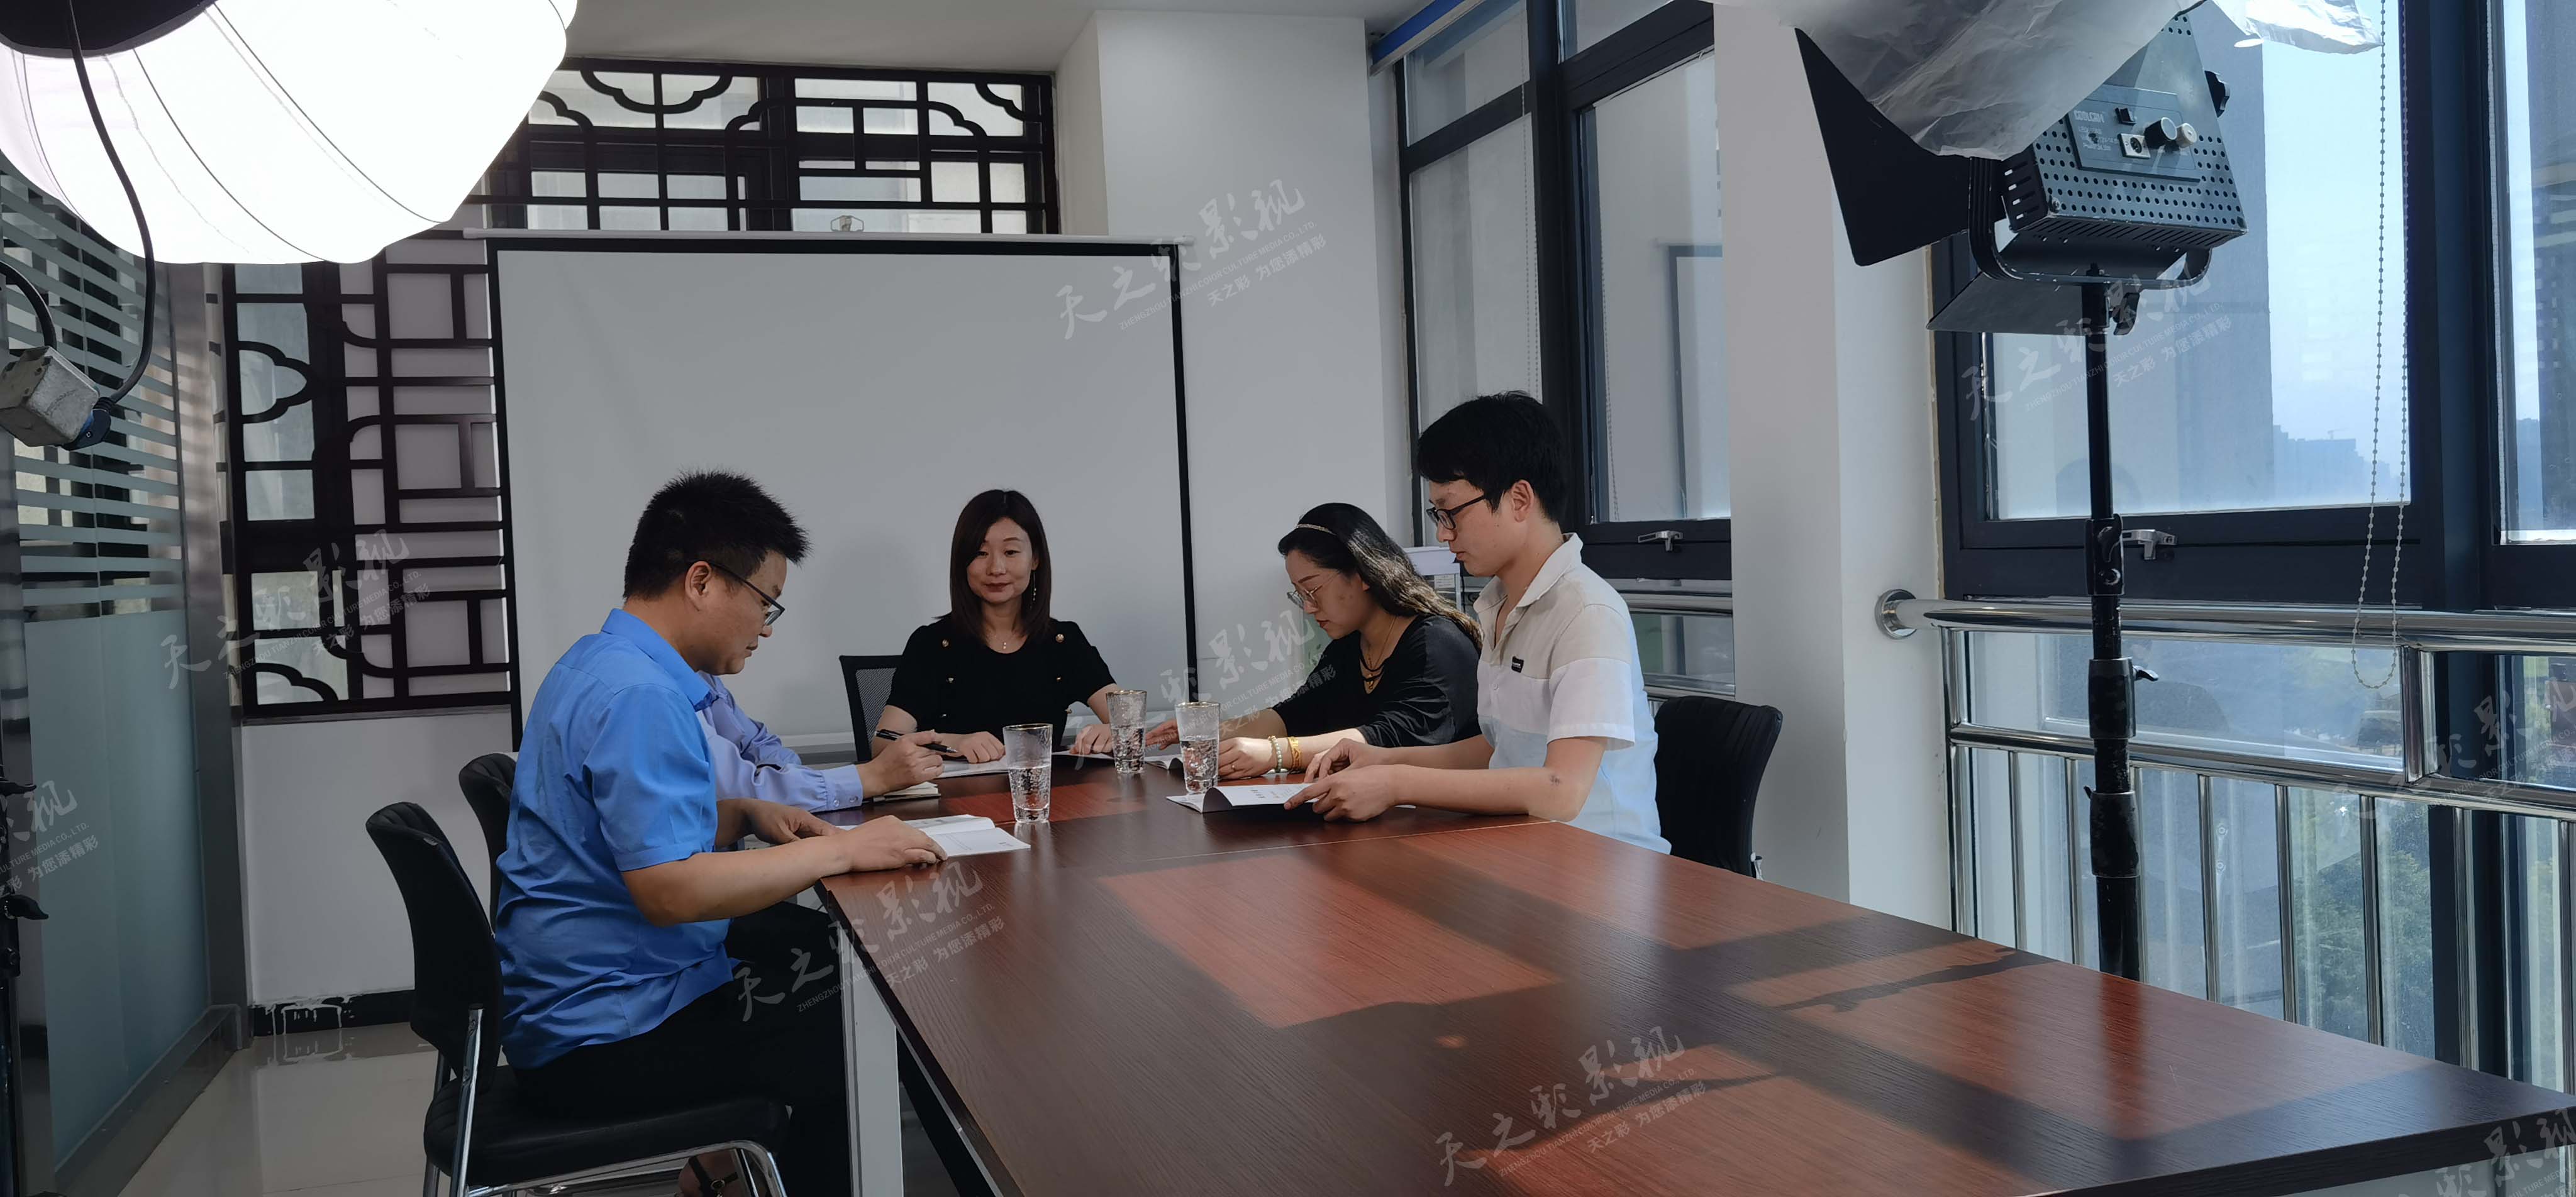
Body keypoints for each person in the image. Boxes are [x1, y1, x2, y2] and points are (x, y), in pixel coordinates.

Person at [495, 471, 945, 1197]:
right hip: (605, 1036)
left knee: (842, 975)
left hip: (578, 1008)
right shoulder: (641, 694)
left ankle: (725, 1171)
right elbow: (670, 889)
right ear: (702, 581)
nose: (766, 626)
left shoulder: (599, 662)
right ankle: (739, 1171)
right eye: (766, 601)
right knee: (862, 1023)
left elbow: (620, 829)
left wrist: (740, 814)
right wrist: (838, 847)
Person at [1297, 394, 1667, 852]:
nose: (1443, 532)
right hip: (1525, 852)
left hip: (1602, 866)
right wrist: (1382, 760)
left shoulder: (1586, 613)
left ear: (1519, 500)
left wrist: (1396, 784)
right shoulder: (1499, 605)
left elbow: (1562, 789)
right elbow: (1497, 749)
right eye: (1438, 515)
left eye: (1452, 512)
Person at [1145, 502, 1479, 778]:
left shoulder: (1437, 644)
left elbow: (1392, 738)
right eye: (1300, 594)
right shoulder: (1347, 649)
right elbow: (1293, 715)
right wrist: (1210, 731)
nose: (1308, 607)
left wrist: (1276, 754)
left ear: (1363, 573)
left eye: (1313, 589)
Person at [879, 489, 1124, 759]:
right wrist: (953, 743)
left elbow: (1128, 720)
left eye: (1010, 552)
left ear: (1035, 559)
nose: (996, 568)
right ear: (963, 562)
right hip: (954, 787)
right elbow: (883, 743)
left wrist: (1113, 731)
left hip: (1043, 787)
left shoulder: (1063, 642)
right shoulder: (932, 644)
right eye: (980, 553)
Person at [698, 670, 944, 810]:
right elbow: (735, 792)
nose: (767, 630)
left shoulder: (703, 678)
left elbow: (761, 744)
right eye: (763, 606)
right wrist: (871, 777)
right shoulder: (673, 696)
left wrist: (786, 781)